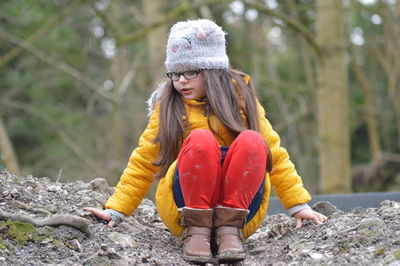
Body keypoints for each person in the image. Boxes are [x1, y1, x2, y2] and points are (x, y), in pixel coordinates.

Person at [84, 19, 327, 264]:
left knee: (254, 141)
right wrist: (116, 209)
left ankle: (229, 232)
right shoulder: (168, 106)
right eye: (175, 73)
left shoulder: (242, 101)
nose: (181, 81)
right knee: (200, 139)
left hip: (242, 213)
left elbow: (275, 155)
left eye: (190, 72)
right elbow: (143, 160)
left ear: (212, 70)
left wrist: (298, 206)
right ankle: (197, 233)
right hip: (184, 210)